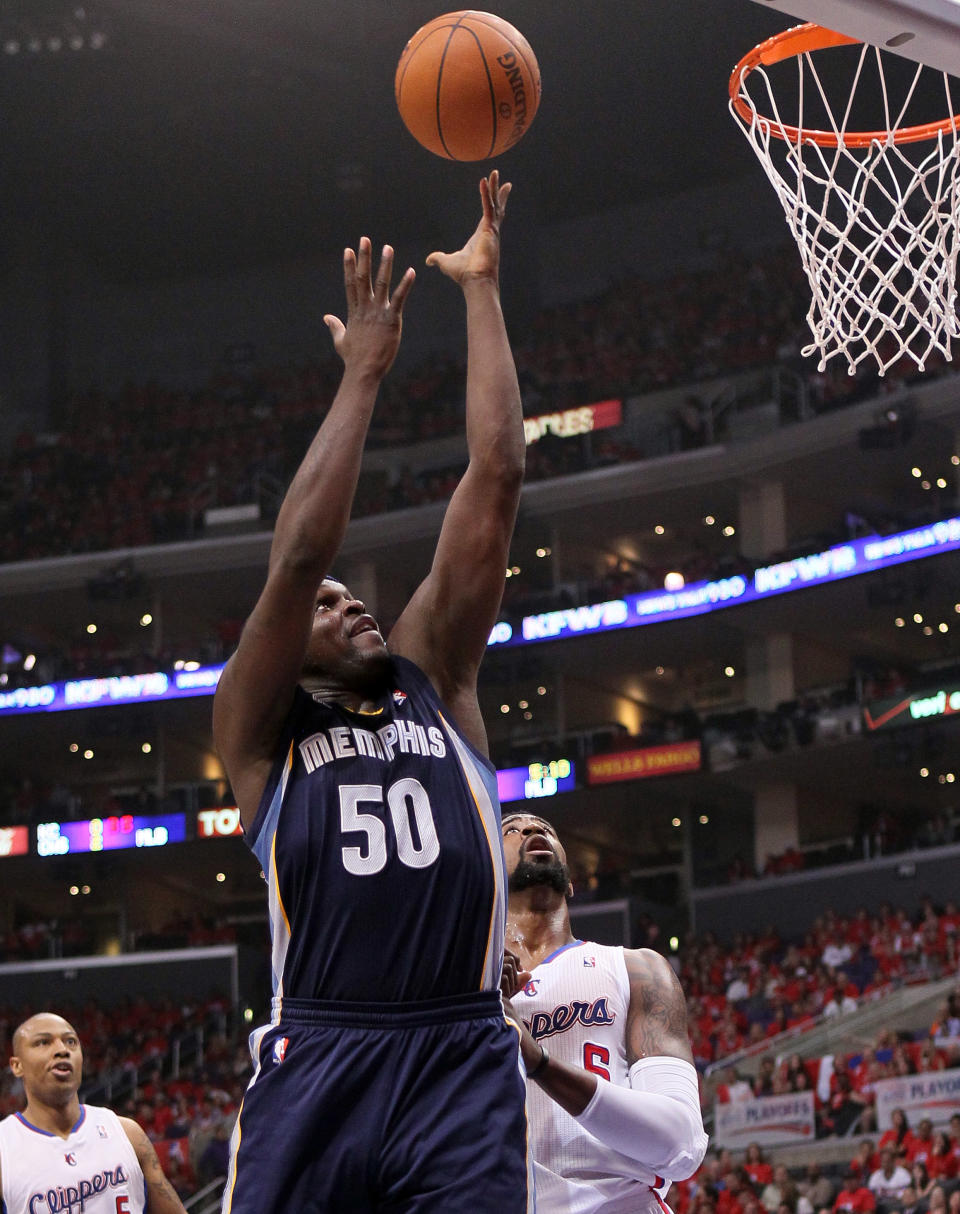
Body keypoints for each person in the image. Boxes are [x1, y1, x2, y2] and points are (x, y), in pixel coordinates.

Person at [213, 171, 531, 1214]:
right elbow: (302, 554)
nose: (352, 604)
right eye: (329, 607)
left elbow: (497, 472)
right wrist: (364, 377)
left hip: (459, 1054)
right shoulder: (260, 731)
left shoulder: (435, 675)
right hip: (322, 1056)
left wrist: (480, 287)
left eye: (359, 597)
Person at [500, 811, 708, 1213]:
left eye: (545, 829)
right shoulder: (464, 985)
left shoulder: (637, 968)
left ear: (571, 881)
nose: (531, 830)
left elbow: (681, 1144)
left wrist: (539, 1062)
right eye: (511, 829)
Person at [0, 1011, 187, 1213]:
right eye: (43, 1042)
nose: (62, 1050)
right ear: (17, 1066)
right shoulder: (4, 1150)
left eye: (70, 1041)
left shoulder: (127, 1133)